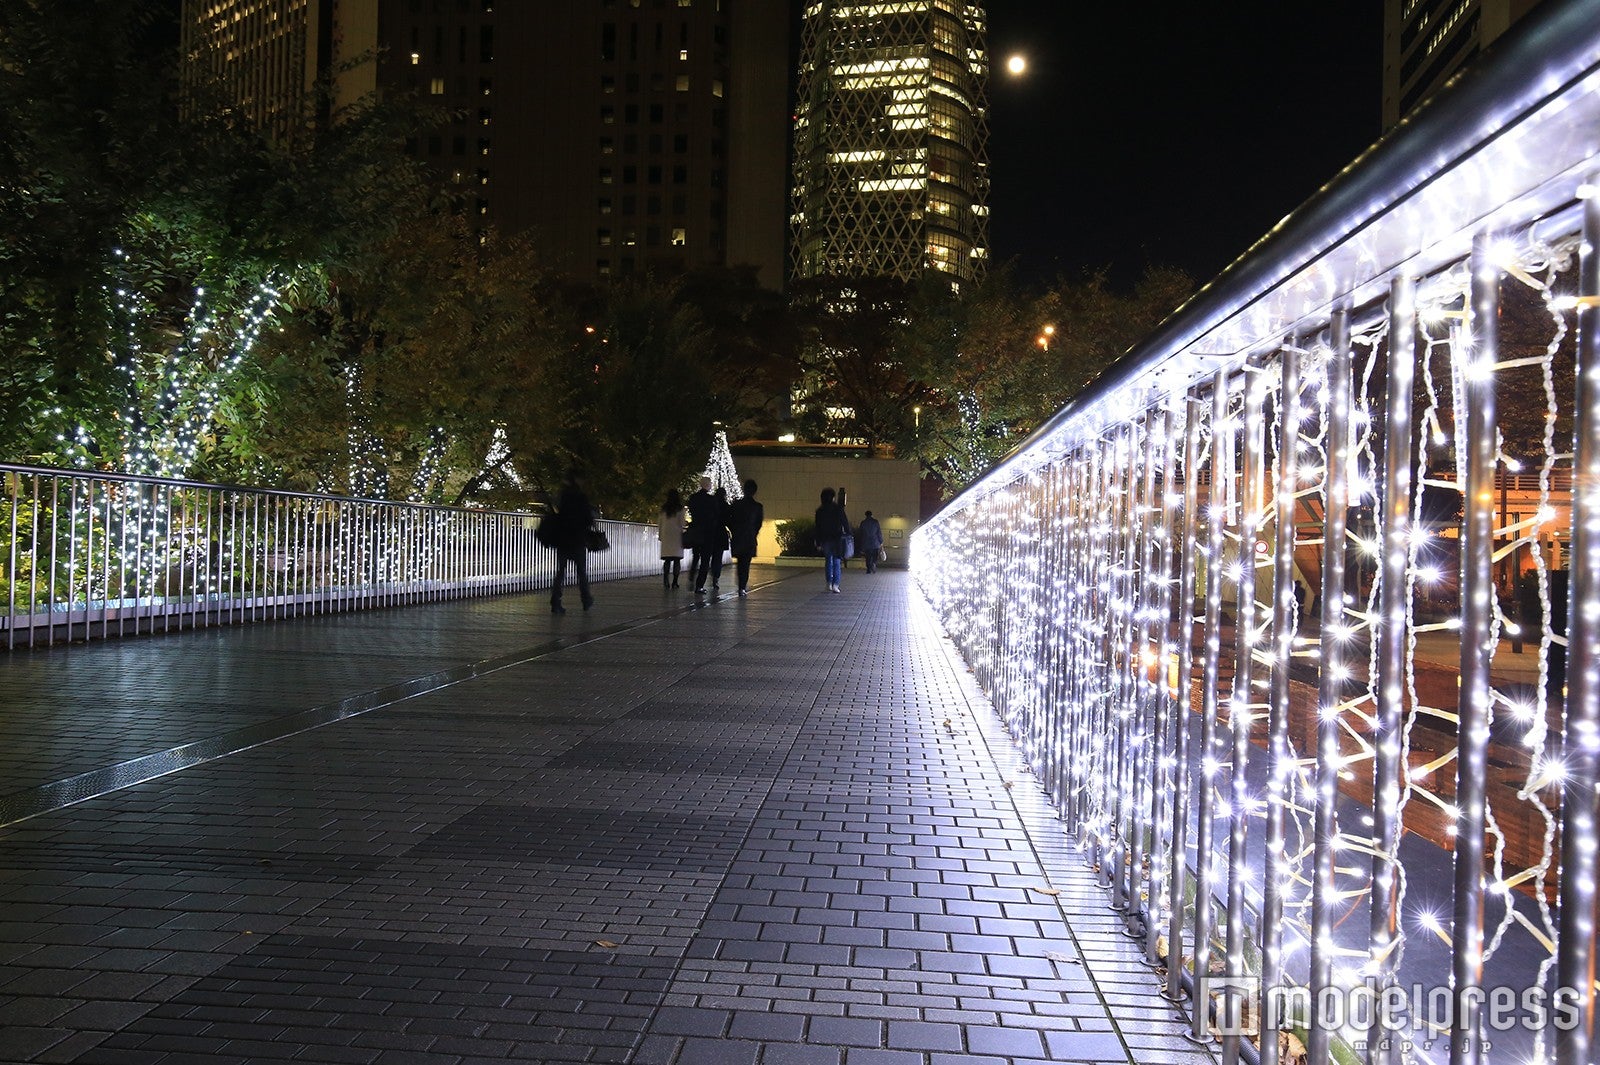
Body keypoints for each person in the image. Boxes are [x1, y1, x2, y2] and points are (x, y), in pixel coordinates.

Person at [550, 469, 596, 614]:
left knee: (560, 571)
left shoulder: (562, 496)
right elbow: (588, 518)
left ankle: (555, 601)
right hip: (577, 539)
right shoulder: (581, 497)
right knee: (581, 571)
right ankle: (586, 599)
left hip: (563, 539)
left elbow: (559, 513)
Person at [727, 479, 764, 596]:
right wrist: (754, 533)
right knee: (746, 563)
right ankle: (742, 586)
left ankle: (740, 585)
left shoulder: (736, 504)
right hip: (749, 538)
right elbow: (759, 523)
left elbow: (729, 520)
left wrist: (734, 531)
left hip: (738, 538)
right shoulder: (757, 507)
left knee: (739, 562)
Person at [814, 487, 852, 594]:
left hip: (825, 539)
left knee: (828, 561)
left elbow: (817, 527)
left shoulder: (820, 511)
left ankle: (828, 583)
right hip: (837, 539)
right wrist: (849, 534)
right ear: (833, 497)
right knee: (836, 561)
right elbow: (845, 523)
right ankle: (836, 584)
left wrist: (817, 541)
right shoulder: (838, 509)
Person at [686, 476, 718, 596]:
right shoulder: (711, 500)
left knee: (695, 556)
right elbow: (715, 515)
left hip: (696, 531)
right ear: (708, 485)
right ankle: (699, 585)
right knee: (705, 560)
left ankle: (691, 575)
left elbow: (692, 511)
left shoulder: (693, 498)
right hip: (708, 533)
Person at [658, 488, 687, 589]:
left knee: (667, 560)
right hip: (676, 536)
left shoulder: (664, 508)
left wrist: (660, 535)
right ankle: (675, 582)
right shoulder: (680, 508)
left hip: (666, 535)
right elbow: (682, 523)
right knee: (676, 560)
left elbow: (660, 522)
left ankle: (666, 580)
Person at [708, 486, 731, 592]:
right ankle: (715, 577)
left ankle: (708, 574)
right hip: (720, 533)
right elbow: (728, 520)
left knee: (708, 555)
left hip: (710, 532)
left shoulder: (711, 504)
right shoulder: (725, 506)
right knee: (718, 557)